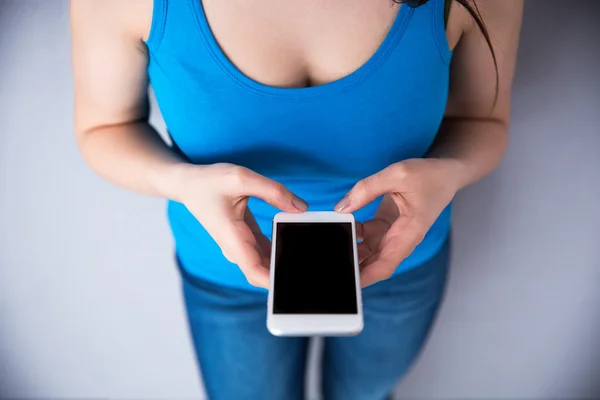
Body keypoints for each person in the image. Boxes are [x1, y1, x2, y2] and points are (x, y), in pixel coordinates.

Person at [70, 0, 522, 398]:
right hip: (227, 273)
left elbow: (482, 122)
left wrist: (448, 173)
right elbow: (104, 128)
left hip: (399, 263)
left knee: (365, 395)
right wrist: (182, 183)